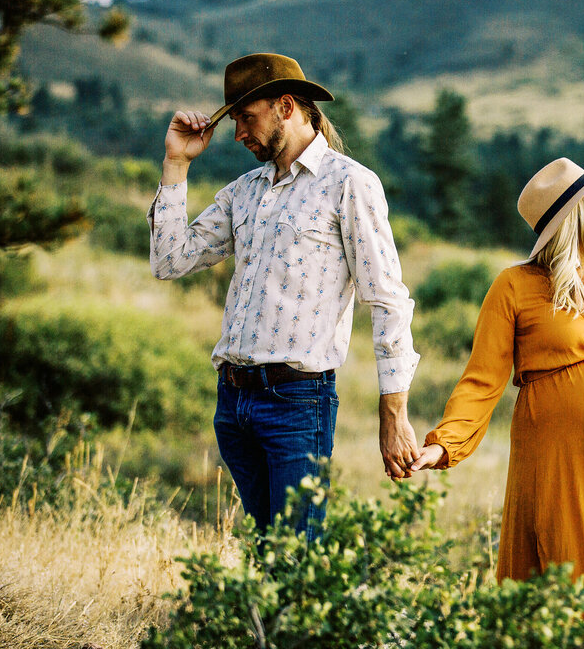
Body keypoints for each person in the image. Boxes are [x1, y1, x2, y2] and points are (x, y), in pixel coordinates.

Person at [148, 52, 421, 540]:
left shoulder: (350, 184)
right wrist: (175, 163)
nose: (238, 135)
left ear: (287, 106)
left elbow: (387, 301)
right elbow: (170, 260)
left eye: (246, 119)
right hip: (233, 402)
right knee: (264, 553)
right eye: (233, 122)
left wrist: (394, 413)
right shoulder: (243, 192)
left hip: (298, 401)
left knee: (295, 562)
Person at [411, 157, 584, 647]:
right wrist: (443, 445)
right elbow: (482, 381)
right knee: (571, 593)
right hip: (560, 466)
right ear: (575, 218)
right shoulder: (515, 287)